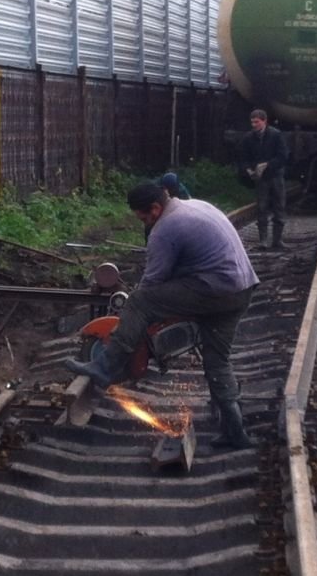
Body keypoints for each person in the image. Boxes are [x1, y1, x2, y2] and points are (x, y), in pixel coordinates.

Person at [65, 182, 259, 448]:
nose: (144, 222)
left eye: (143, 217)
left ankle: (104, 366)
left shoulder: (165, 229)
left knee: (140, 301)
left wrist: (132, 316)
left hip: (215, 289)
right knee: (218, 361)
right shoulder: (197, 205)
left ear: (155, 208)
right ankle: (235, 432)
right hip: (241, 289)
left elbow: (152, 283)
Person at [237, 108, 288, 248]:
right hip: (261, 178)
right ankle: (263, 240)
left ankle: (277, 240)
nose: (254, 125)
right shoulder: (248, 138)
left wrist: (268, 165)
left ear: (264, 121)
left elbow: (283, 156)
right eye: (252, 122)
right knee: (261, 207)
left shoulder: (276, 135)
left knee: (279, 207)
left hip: (275, 176)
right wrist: (248, 169)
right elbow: (243, 157)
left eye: (257, 122)